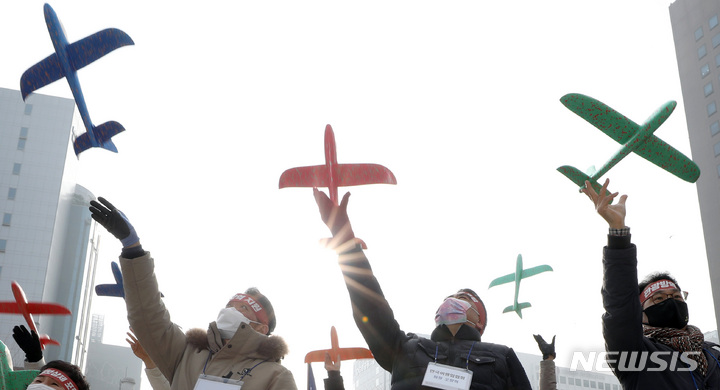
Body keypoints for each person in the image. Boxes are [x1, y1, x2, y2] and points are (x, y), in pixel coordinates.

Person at [313, 189, 532, 389]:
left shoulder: (503, 357)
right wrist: (344, 239)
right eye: (450, 298)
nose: (454, 301)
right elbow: (371, 308)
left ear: (479, 321)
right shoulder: (404, 347)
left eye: (464, 299)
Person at [89, 197, 297, 390]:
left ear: (261, 328)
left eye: (244, 308)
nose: (231, 310)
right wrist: (132, 247)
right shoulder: (187, 354)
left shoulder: (275, 376)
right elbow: (148, 316)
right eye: (231, 304)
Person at [583, 178, 720, 389]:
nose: (671, 301)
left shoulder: (713, 353)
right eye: (658, 298)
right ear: (641, 312)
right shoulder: (635, 354)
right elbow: (620, 308)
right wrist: (618, 233)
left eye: (676, 296)